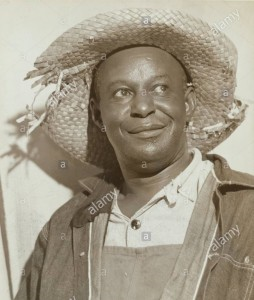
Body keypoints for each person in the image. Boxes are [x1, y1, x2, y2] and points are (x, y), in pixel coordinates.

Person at [15, 8, 254, 300]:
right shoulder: (63, 228)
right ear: (97, 115)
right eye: (122, 93)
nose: (143, 107)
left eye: (161, 88)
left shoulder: (247, 210)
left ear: (188, 103)